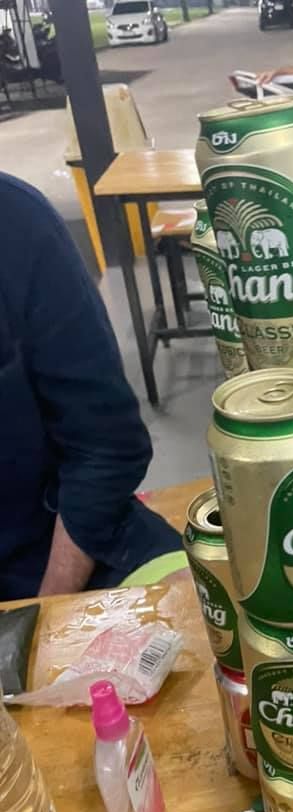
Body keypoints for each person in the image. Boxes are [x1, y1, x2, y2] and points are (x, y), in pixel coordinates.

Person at [0, 173, 182, 601]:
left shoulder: (16, 224)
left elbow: (105, 445)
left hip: (69, 551)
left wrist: (45, 617)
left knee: (208, 629)